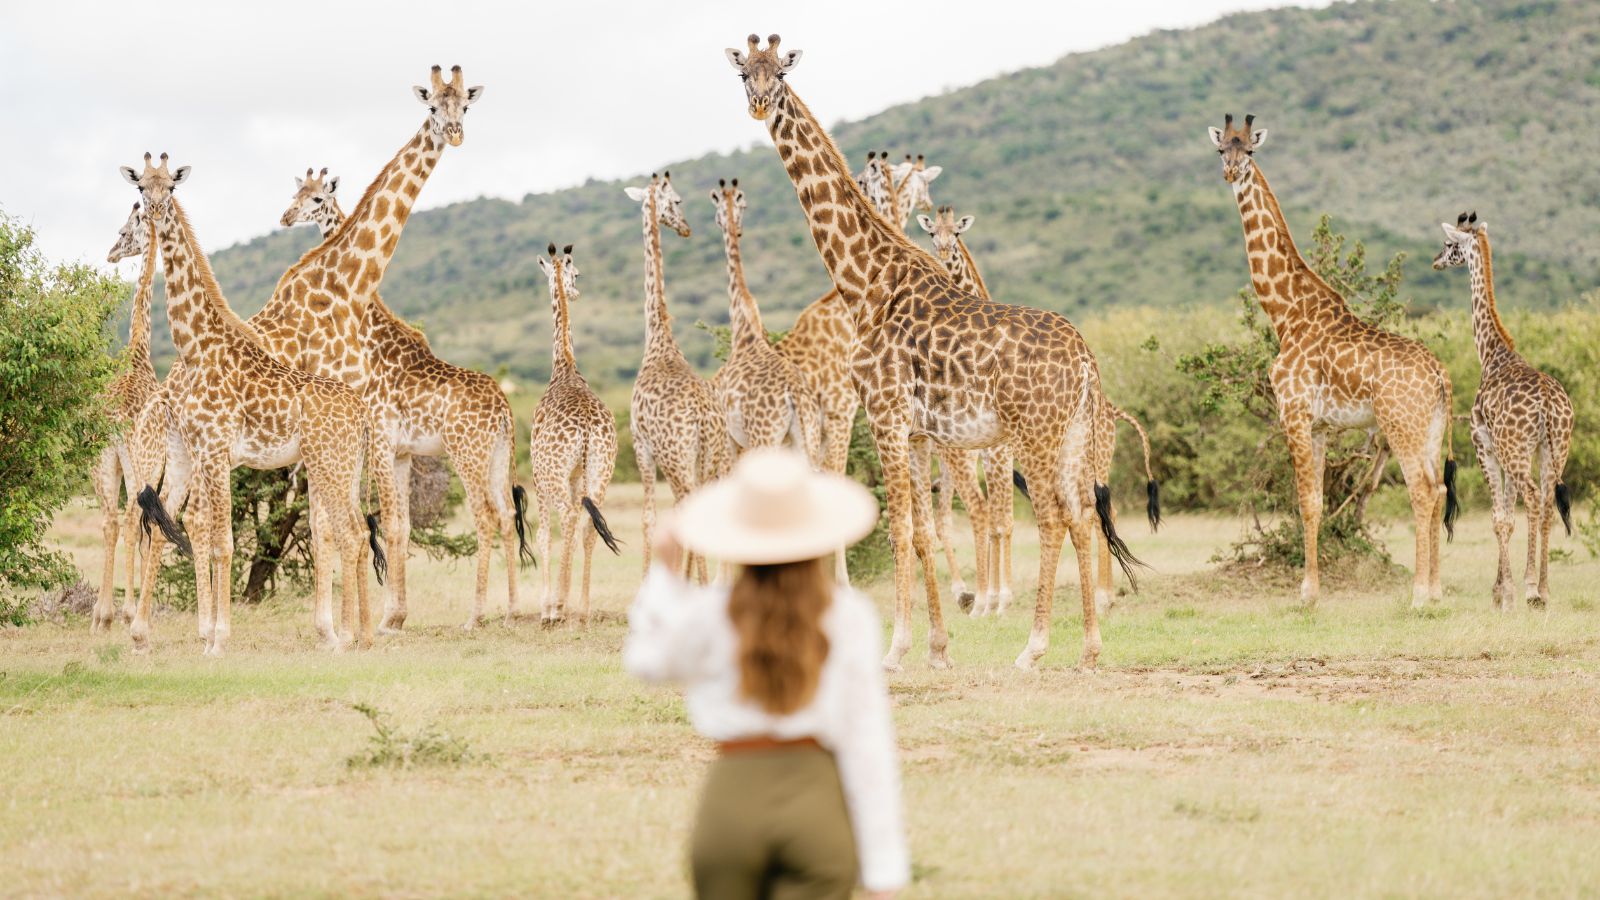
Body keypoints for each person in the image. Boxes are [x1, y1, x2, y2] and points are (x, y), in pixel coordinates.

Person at [623, 447, 909, 900]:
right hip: (815, 802)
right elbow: (867, 737)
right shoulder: (850, 616)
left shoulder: (712, 613)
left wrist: (665, 571)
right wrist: (885, 868)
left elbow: (644, 661)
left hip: (731, 803)